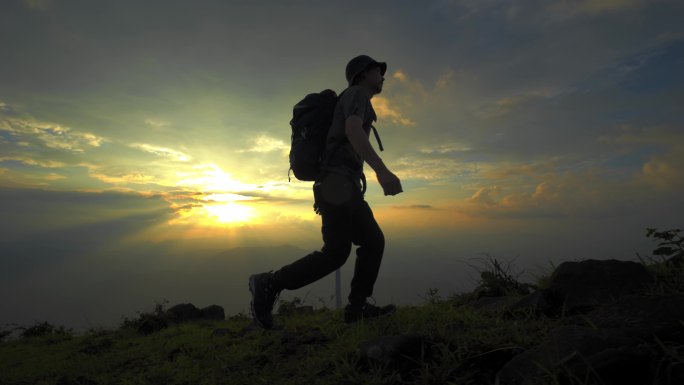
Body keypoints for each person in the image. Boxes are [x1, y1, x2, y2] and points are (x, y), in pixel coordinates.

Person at [249, 55, 403, 329]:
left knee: (369, 242)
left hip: (341, 185)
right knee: (338, 252)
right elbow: (353, 130)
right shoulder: (357, 94)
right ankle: (269, 282)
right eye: (378, 72)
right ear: (362, 73)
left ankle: (357, 308)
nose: (383, 77)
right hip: (338, 184)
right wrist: (382, 170)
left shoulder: (352, 97)